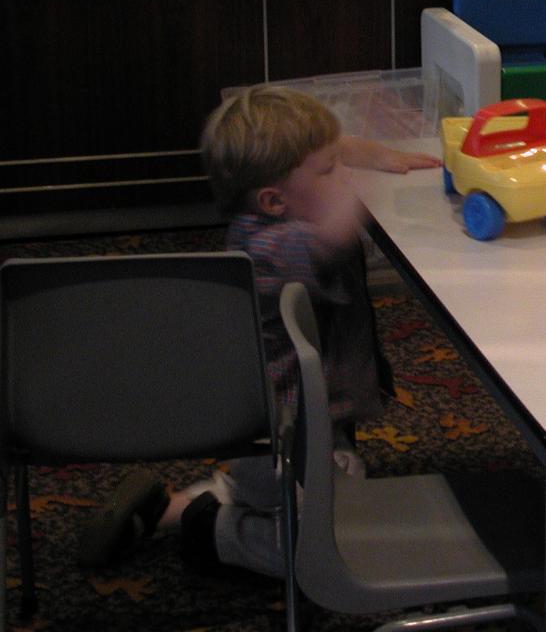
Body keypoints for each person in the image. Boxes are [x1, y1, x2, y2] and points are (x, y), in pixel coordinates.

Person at [77, 84, 439, 576]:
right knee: (329, 540)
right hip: (285, 432)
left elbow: (314, 165)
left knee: (294, 484)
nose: (345, 174)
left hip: (286, 423)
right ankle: (208, 528)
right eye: (331, 169)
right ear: (273, 200)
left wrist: (366, 149)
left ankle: (167, 507)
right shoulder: (277, 247)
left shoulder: (271, 212)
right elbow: (337, 229)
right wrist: (374, 154)